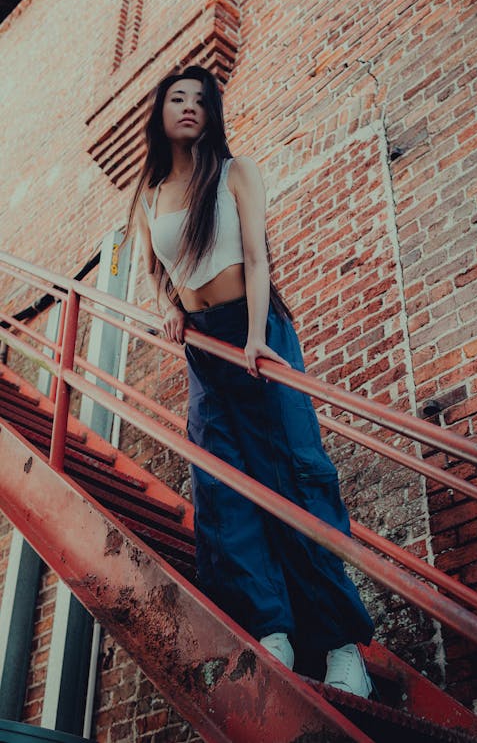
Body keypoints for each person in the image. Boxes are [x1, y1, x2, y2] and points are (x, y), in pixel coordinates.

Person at [126, 65, 374, 696]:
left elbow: (259, 256)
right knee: (224, 487)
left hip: (256, 336)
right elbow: (154, 270)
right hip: (205, 349)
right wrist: (168, 308)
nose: (188, 107)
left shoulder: (237, 173)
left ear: (213, 113)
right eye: (176, 99)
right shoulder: (149, 194)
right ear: (160, 114)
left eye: (200, 100)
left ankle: (344, 648)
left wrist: (258, 336)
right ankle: (273, 631)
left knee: (297, 477)